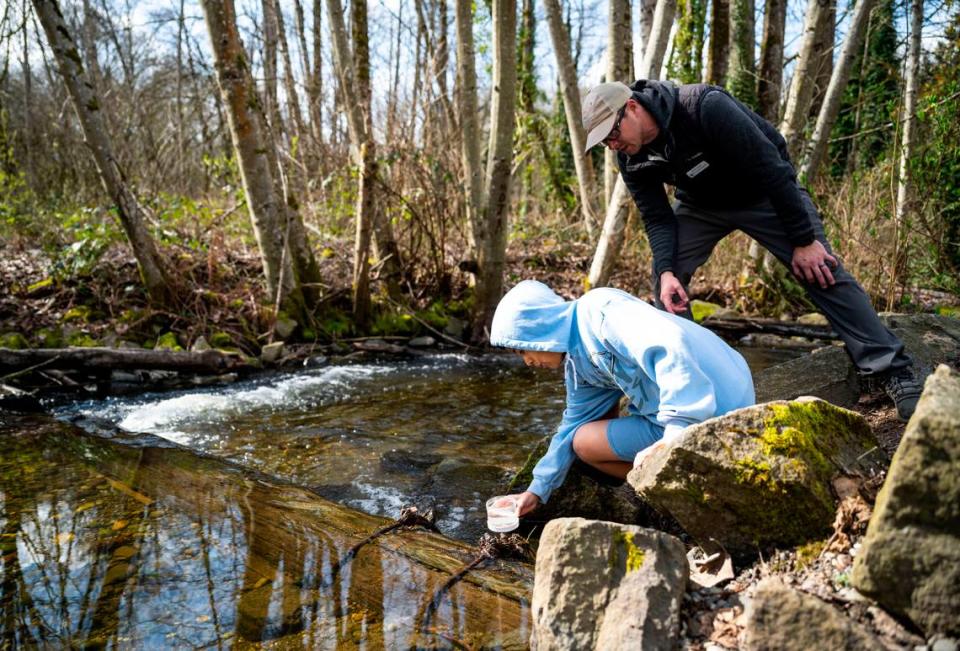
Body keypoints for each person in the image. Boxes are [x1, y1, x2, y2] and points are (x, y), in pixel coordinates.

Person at [580, 79, 923, 421]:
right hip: (701, 205)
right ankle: (692, 388)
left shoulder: (702, 106)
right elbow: (657, 218)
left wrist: (803, 241)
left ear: (634, 108)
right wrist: (667, 270)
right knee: (667, 285)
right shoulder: (631, 158)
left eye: (611, 134)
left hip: (764, 192)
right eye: (603, 142)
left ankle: (891, 369)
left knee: (819, 269)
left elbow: (773, 169)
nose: (611, 145)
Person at [489, 280, 755, 516]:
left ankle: (682, 488)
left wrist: (676, 431)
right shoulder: (578, 362)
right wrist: (536, 490)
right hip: (684, 419)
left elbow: (670, 344)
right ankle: (673, 490)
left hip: (721, 402)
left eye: (523, 350)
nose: (528, 361)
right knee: (582, 441)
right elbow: (573, 425)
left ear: (539, 328)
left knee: (593, 440)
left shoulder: (601, 311)